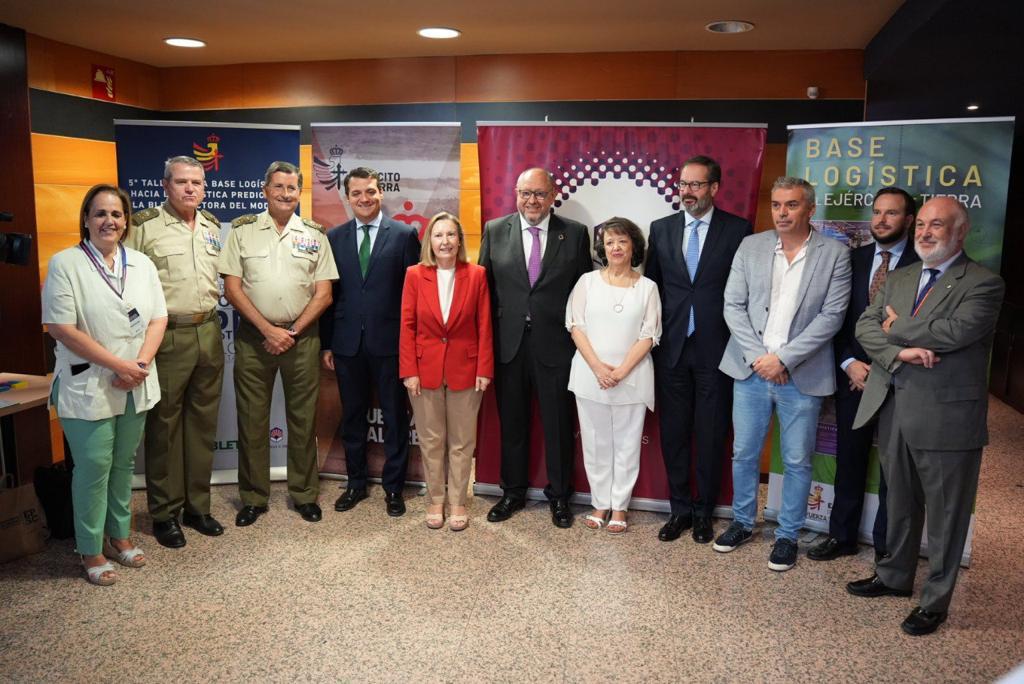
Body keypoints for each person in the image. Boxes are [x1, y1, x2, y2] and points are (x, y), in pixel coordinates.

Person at [846, 197, 1004, 636]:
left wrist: (895, 327)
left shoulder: (984, 283)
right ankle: (894, 577)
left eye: (938, 225)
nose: (926, 232)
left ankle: (935, 601)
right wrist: (901, 350)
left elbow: (957, 331)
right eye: (923, 226)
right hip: (895, 402)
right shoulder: (900, 277)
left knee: (946, 512)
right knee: (898, 499)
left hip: (947, 417)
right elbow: (864, 326)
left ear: (961, 231)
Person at [715, 176, 851, 572]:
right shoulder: (750, 246)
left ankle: (788, 535)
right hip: (751, 370)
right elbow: (732, 306)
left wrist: (784, 360)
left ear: (810, 209)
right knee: (743, 452)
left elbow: (831, 317)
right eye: (776, 205)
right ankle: (742, 522)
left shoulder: (835, 255)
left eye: (791, 205)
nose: (782, 212)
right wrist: (761, 358)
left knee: (796, 459)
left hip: (801, 375)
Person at [42, 184, 168, 585]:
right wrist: (120, 365)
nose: (108, 221)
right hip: (89, 384)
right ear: (85, 218)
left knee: (122, 465)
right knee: (94, 465)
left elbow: (157, 319)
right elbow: (59, 327)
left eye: (116, 214)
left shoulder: (142, 264)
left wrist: (140, 363)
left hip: (136, 381)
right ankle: (90, 549)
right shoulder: (66, 264)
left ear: (126, 221)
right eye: (100, 213)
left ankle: (119, 536)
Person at [219, 161, 338, 526]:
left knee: (303, 420)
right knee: (252, 420)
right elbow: (232, 287)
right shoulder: (242, 231)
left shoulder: (314, 234)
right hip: (256, 339)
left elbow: (324, 293)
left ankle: (304, 495)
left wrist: (292, 332)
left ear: (299, 192)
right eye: (279, 187)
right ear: (265, 189)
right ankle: (254, 497)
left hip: (301, 339)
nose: (286, 194)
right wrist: (268, 330)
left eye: (292, 188)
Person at [645, 155, 752, 544]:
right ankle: (679, 511)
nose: (686, 192)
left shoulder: (738, 230)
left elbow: (747, 291)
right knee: (673, 433)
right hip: (671, 348)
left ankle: (704, 512)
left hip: (718, 349)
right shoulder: (661, 229)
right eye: (683, 185)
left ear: (714, 188)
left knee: (710, 434)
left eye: (695, 185)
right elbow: (652, 288)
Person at [808, 187, 918, 562]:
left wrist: (884, 367)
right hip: (852, 376)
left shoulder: (923, 264)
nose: (881, 220)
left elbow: (917, 328)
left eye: (891, 213)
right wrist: (848, 364)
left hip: (900, 381)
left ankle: (888, 548)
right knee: (849, 460)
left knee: (894, 468)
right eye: (877, 212)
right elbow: (833, 319)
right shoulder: (851, 259)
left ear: (909, 220)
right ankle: (842, 537)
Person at [478, 167, 592, 528]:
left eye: (539, 194)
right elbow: (484, 290)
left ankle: (559, 497)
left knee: (558, 425)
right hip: (509, 346)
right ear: (516, 193)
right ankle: (512, 493)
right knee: (512, 423)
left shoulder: (574, 234)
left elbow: (583, 294)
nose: (532, 201)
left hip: (556, 346)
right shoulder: (495, 230)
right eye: (525, 193)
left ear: (553, 194)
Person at [126, 155, 226, 549]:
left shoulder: (212, 226)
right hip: (167, 336)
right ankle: (165, 512)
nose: (190, 189)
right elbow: (125, 281)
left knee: (203, 424)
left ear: (204, 188)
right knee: (164, 426)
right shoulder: (145, 227)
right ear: (165, 185)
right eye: (181, 182)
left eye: (196, 183)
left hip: (209, 330)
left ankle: (197, 507)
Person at [320, 167, 420, 517]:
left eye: (371, 192)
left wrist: (411, 344)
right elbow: (329, 295)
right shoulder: (335, 238)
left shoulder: (405, 235)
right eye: (357, 193)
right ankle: (356, 484)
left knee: (395, 416)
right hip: (347, 344)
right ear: (348, 198)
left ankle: (394, 489)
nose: (364, 198)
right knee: (353, 418)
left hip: (391, 344)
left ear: (381, 194)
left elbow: (413, 296)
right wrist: (327, 344)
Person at [399, 212, 494, 531]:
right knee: (430, 439)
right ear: (429, 241)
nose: (445, 241)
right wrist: (408, 370)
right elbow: (407, 325)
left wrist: (484, 368)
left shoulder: (477, 274)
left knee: (462, 441)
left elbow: (484, 325)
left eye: (451, 235)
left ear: (460, 240)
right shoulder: (414, 274)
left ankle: (457, 503)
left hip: (466, 369)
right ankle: (435, 501)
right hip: (423, 370)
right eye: (438, 235)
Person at [566, 218, 661, 533]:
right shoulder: (587, 282)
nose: (616, 247)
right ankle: (599, 503)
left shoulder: (648, 287)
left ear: (634, 245)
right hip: (589, 376)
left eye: (622, 241)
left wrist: (621, 371)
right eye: (609, 242)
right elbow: (575, 326)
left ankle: (620, 507)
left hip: (631, 378)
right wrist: (597, 367)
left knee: (627, 445)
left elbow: (650, 335)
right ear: (601, 249)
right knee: (595, 443)